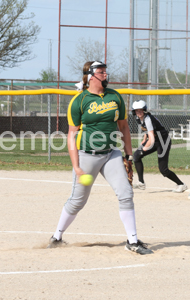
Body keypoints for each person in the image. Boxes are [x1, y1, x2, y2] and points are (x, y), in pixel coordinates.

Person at [47, 61, 153, 255]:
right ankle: (57, 236)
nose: (105, 75)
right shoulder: (79, 100)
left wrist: (128, 155)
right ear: (90, 76)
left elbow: (123, 128)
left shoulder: (114, 97)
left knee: (126, 194)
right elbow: (72, 135)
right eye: (101, 72)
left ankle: (132, 240)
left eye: (105, 71)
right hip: (86, 155)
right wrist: (76, 166)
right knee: (78, 201)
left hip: (111, 153)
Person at [131, 100, 188, 193]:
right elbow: (147, 130)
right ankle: (141, 183)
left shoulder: (148, 118)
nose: (139, 112)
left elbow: (152, 138)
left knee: (163, 170)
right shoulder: (138, 118)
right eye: (137, 110)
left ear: (144, 110)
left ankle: (181, 184)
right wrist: (144, 139)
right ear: (134, 112)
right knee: (136, 155)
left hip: (163, 141)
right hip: (155, 139)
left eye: (141, 110)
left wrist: (145, 148)